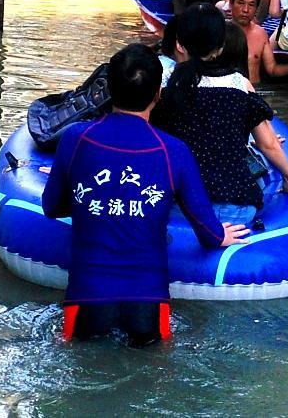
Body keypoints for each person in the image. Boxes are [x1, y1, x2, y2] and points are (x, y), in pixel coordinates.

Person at [42, 44, 249, 346]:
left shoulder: (76, 137)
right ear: (158, 94)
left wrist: (93, 199)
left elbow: (51, 206)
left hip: (87, 296)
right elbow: (205, 229)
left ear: (108, 89)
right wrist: (220, 235)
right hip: (148, 303)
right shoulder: (173, 151)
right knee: (156, 365)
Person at [153, 3, 288, 227]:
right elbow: (268, 144)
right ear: (221, 46)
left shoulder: (168, 92)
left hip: (180, 211)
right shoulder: (240, 85)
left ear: (181, 44)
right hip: (234, 211)